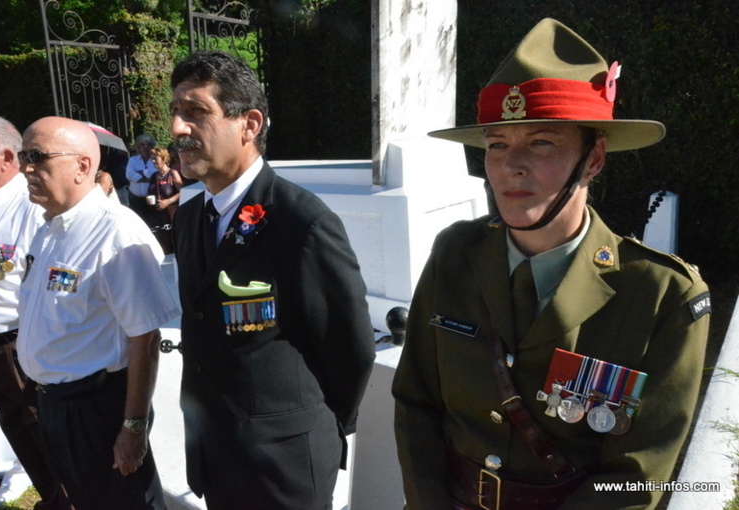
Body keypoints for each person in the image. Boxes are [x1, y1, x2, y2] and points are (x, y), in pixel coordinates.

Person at [392, 18, 710, 510]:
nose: (511, 166)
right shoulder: (455, 253)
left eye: (541, 142)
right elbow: (417, 404)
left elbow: (634, 479)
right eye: (497, 145)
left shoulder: (661, 296)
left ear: (594, 159)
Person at [170, 50, 375, 509]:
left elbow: (351, 347)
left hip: (283, 465)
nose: (178, 127)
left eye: (196, 111)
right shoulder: (189, 217)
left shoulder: (301, 221)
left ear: (249, 124)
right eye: (176, 111)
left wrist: (311, 427)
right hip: (215, 453)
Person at [17, 116, 181, 510]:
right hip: (55, 403)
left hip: (97, 409)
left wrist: (133, 426)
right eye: (23, 156)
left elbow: (145, 338)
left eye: (37, 157)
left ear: (82, 166)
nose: (25, 168)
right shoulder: (49, 228)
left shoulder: (115, 232)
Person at [0, 114, 71, 509]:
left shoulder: (30, 207)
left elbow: (50, 285)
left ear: (6, 157)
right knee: (21, 437)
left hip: (21, 349)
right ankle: (54, 500)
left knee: (47, 440)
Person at [147, 146, 183, 254]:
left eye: (155, 158)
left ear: (163, 159)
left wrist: (169, 201)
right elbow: (150, 192)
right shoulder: (154, 176)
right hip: (157, 215)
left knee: (175, 243)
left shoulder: (172, 173)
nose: (153, 161)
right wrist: (148, 199)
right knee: (162, 245)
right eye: (152, 159)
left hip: (171, 215)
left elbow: (183, 192)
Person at [125, 133, 159, 223]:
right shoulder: (133, 160)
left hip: (152, 199)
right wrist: (148, 178)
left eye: (148, 145)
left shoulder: (155, 160)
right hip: (135, 199)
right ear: (139, 147)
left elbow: (155, 174)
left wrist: (140, 173)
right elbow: (129, 175)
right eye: (142, 145)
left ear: (152, 147)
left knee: (153, 223)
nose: (145, 147)